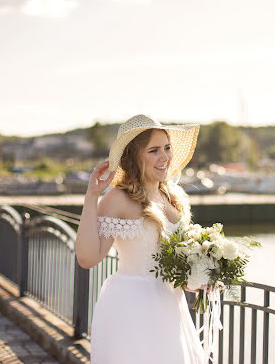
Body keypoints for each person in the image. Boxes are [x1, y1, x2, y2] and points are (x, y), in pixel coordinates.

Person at [75, 114, 205, 364]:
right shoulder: (117, 199)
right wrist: (92, 195)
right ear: (135, 157)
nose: (164, 157)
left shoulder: (173, 197)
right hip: (132, 309)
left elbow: (175, 260)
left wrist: (197, 275)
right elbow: (87, 258)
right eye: (153, 150)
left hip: (170, 308)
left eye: (167, 148)